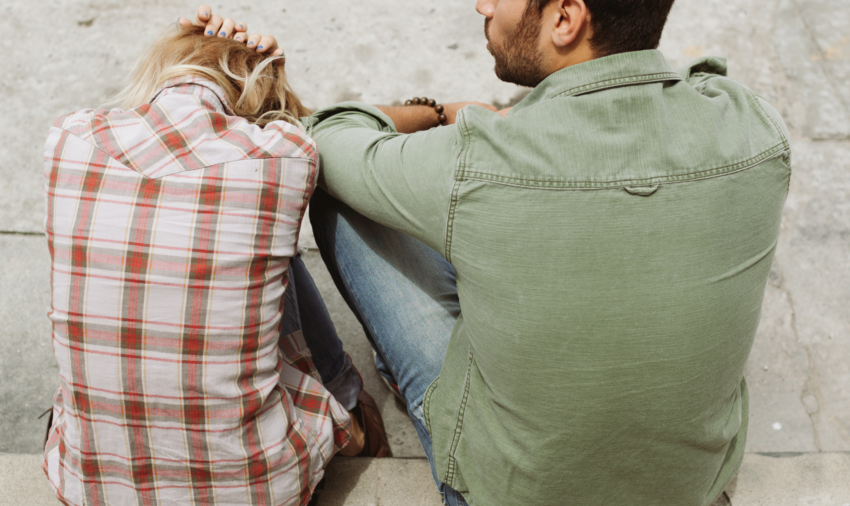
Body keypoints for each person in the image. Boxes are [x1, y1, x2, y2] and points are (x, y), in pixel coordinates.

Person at [192, 0, 792, 504]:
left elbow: (326, 133)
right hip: (693, 491)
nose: (482, 5)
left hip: (500, 491)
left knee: (343, 194)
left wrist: (443, 113)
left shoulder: (477, 156)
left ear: (566, 18)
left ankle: (369, 400)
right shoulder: (755, 128)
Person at [41, 23, 390, 506]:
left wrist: (184, 43)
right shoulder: (282, 156)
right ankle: (353, 409)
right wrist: (270, 72)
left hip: (90, 488)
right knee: (263, 245)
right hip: (258, 489)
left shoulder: (69, 139)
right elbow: (303, 130)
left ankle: (347, 402)